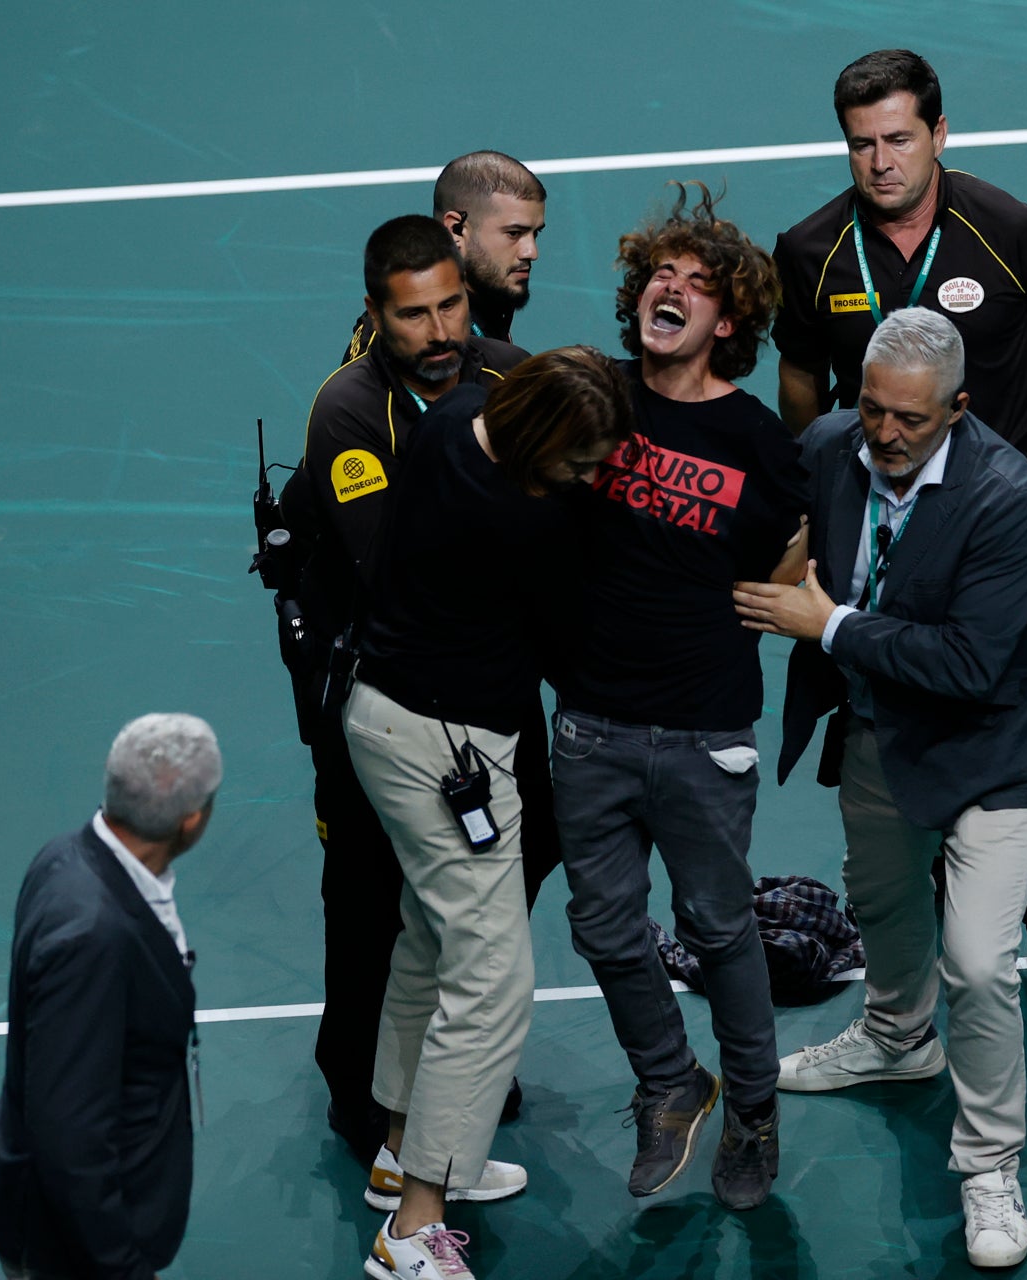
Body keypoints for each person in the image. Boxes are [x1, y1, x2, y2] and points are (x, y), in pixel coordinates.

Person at [770, 49, 1027, 1003]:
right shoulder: (810, 254)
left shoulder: (1007, 228)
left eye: (897, 138)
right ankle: (939, 912)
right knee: (894, 694)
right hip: (881, 513)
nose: (880, 161)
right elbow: (801, 393)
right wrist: (808, 510)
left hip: (1002, 518)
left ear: (938, 134)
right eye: (860, 144)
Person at [734, 310, 1027, 1268]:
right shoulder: (835, 444)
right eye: (874, 410)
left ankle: (989, 1163)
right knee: (881, 904)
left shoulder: (1006, 494)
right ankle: (893, 1036)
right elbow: (786, 534)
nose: (885, 434)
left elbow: (968, 663)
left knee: (974, 961)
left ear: (958, 411)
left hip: (994, 756)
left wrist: (826, 622)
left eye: (910, 422)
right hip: (883, 733)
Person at [349, 346, 634, 1280]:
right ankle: (414, 1229)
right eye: (583, 462)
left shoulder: (450, 420)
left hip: (379, 716)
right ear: (544, 442)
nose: (590, 479)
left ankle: (399, 1157)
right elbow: (575, 641)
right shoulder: (523, 518)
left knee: (429, 944)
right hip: (446, 752)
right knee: (493, 980)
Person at [552, 184, 808, 1211]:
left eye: (699, 285)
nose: (674, 289)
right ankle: (670, 1079)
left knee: (715, 925)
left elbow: (793, 543)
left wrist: (780, 596)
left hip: (704, 727)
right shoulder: (595, 394)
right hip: (589, 720)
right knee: (605, 926)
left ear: (727, 321)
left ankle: (752, 1103)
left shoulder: (753, 436)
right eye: (663, 273)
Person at [278, 214, 553, 1162]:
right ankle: (365, 1100)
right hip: (380, 696)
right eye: (414, 317)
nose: (440, 334)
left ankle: (446, 1073)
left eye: (452, 308)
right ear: (375, 316)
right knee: (367, 899)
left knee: (512, 868)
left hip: (494, 688)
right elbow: (391, 567)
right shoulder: (348, 414)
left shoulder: (511, 375)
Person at [0, 713, 223, 1280]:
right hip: (74, 1247)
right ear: (192, 821)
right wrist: (122, 1267)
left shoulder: (65, 855)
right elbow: (70, 1137)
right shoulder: (94, 938)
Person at [345, 150, 547, 358]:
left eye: (535, 233)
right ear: (456, 230)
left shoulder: (488, 305)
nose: (531, 252)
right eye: (514, 233)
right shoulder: (419, 349)